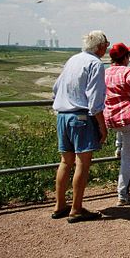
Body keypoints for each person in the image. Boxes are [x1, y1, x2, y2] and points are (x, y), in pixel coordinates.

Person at [51, 30, 109, 223]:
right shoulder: (95, 64)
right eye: (106, 44)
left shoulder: (73, 59)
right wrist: (102, 125)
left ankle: (60, 205)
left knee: (65, 161)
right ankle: (76, 208)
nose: (107, 47)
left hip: (62, 115)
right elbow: (94, 99)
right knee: (82, 163)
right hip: (81, 117)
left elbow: (56, 87)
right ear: (100, 46)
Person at [104, 42, 130, 206]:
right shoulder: (128, 71)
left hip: (111, 118)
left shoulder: (105, 72)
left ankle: (118, 147)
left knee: (123, 140)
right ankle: (123, 194)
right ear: (126, 57)